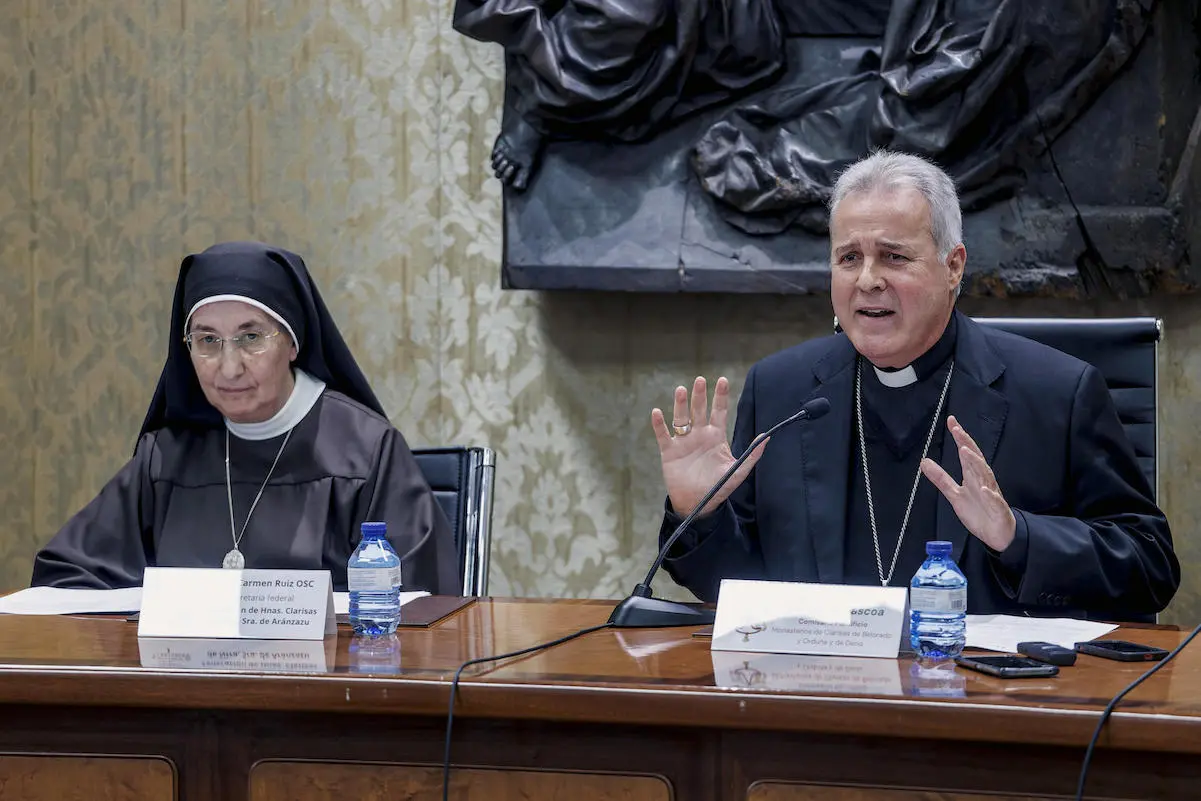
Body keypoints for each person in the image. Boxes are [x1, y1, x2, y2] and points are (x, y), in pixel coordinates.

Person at [652, 150, 1179, 620]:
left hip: (987, 706)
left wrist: (1017, 536)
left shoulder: (1057, 393)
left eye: (894, 256)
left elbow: (1149, 565)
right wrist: (699, 515)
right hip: (820, 704)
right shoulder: (783, 392)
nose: (867, 280)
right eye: (849, 257)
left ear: (954, 267)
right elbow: (740, 587)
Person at [32, 241, 459, 594]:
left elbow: (420, 605)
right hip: (184, 688)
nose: (229, 367)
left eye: (251, 337)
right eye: (207, 341)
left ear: (293, 342)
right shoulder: (166, 456)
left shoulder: (365, 452)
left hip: (325, 689)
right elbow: (65, 577)